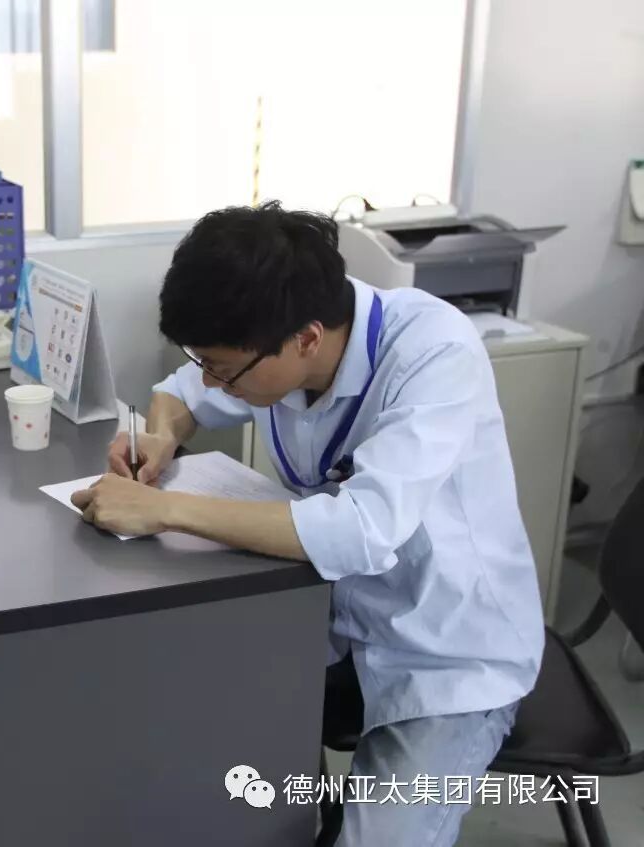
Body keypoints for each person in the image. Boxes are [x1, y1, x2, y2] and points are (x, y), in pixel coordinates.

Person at [71, 202, 544, 846]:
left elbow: (362, 529)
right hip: (329, 620)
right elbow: (178, 394)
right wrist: (159, 437)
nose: (214, 380)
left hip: (445, 652)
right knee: (185, 737)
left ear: (308, 340)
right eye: (205, 360)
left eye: (224, 369)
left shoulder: (434, 354)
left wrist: (166, 509)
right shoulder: (271, 333)